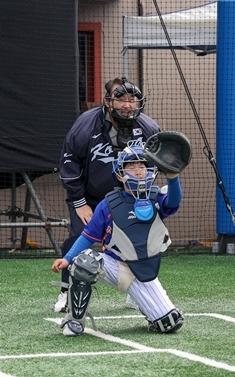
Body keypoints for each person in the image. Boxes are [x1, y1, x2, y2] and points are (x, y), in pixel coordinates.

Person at [51, 141, 184, 336]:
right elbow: (88, 236)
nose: (139, 171)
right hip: (114, 265)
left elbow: (174, 201)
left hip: (143, 270)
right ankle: (74, 320)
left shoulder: (157, 197)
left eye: (143, 167)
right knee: (85, 262)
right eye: (132, 167)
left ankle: (146, 306)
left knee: (170, 323)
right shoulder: (108, 204)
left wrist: (173, 177)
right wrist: (67, 258)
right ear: (120, 174)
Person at [55, 77, 161, 312]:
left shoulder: (149, 128)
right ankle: (66, 291)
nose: (127, 105)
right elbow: (69, 163)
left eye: (131, 100)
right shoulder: (85, 125)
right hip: (90, 198)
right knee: (78, 237)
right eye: (120, 99)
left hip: (130, 197)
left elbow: (157, 164)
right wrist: (79, 203)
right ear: (107, 101)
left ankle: (139, 290)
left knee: (140, 242)